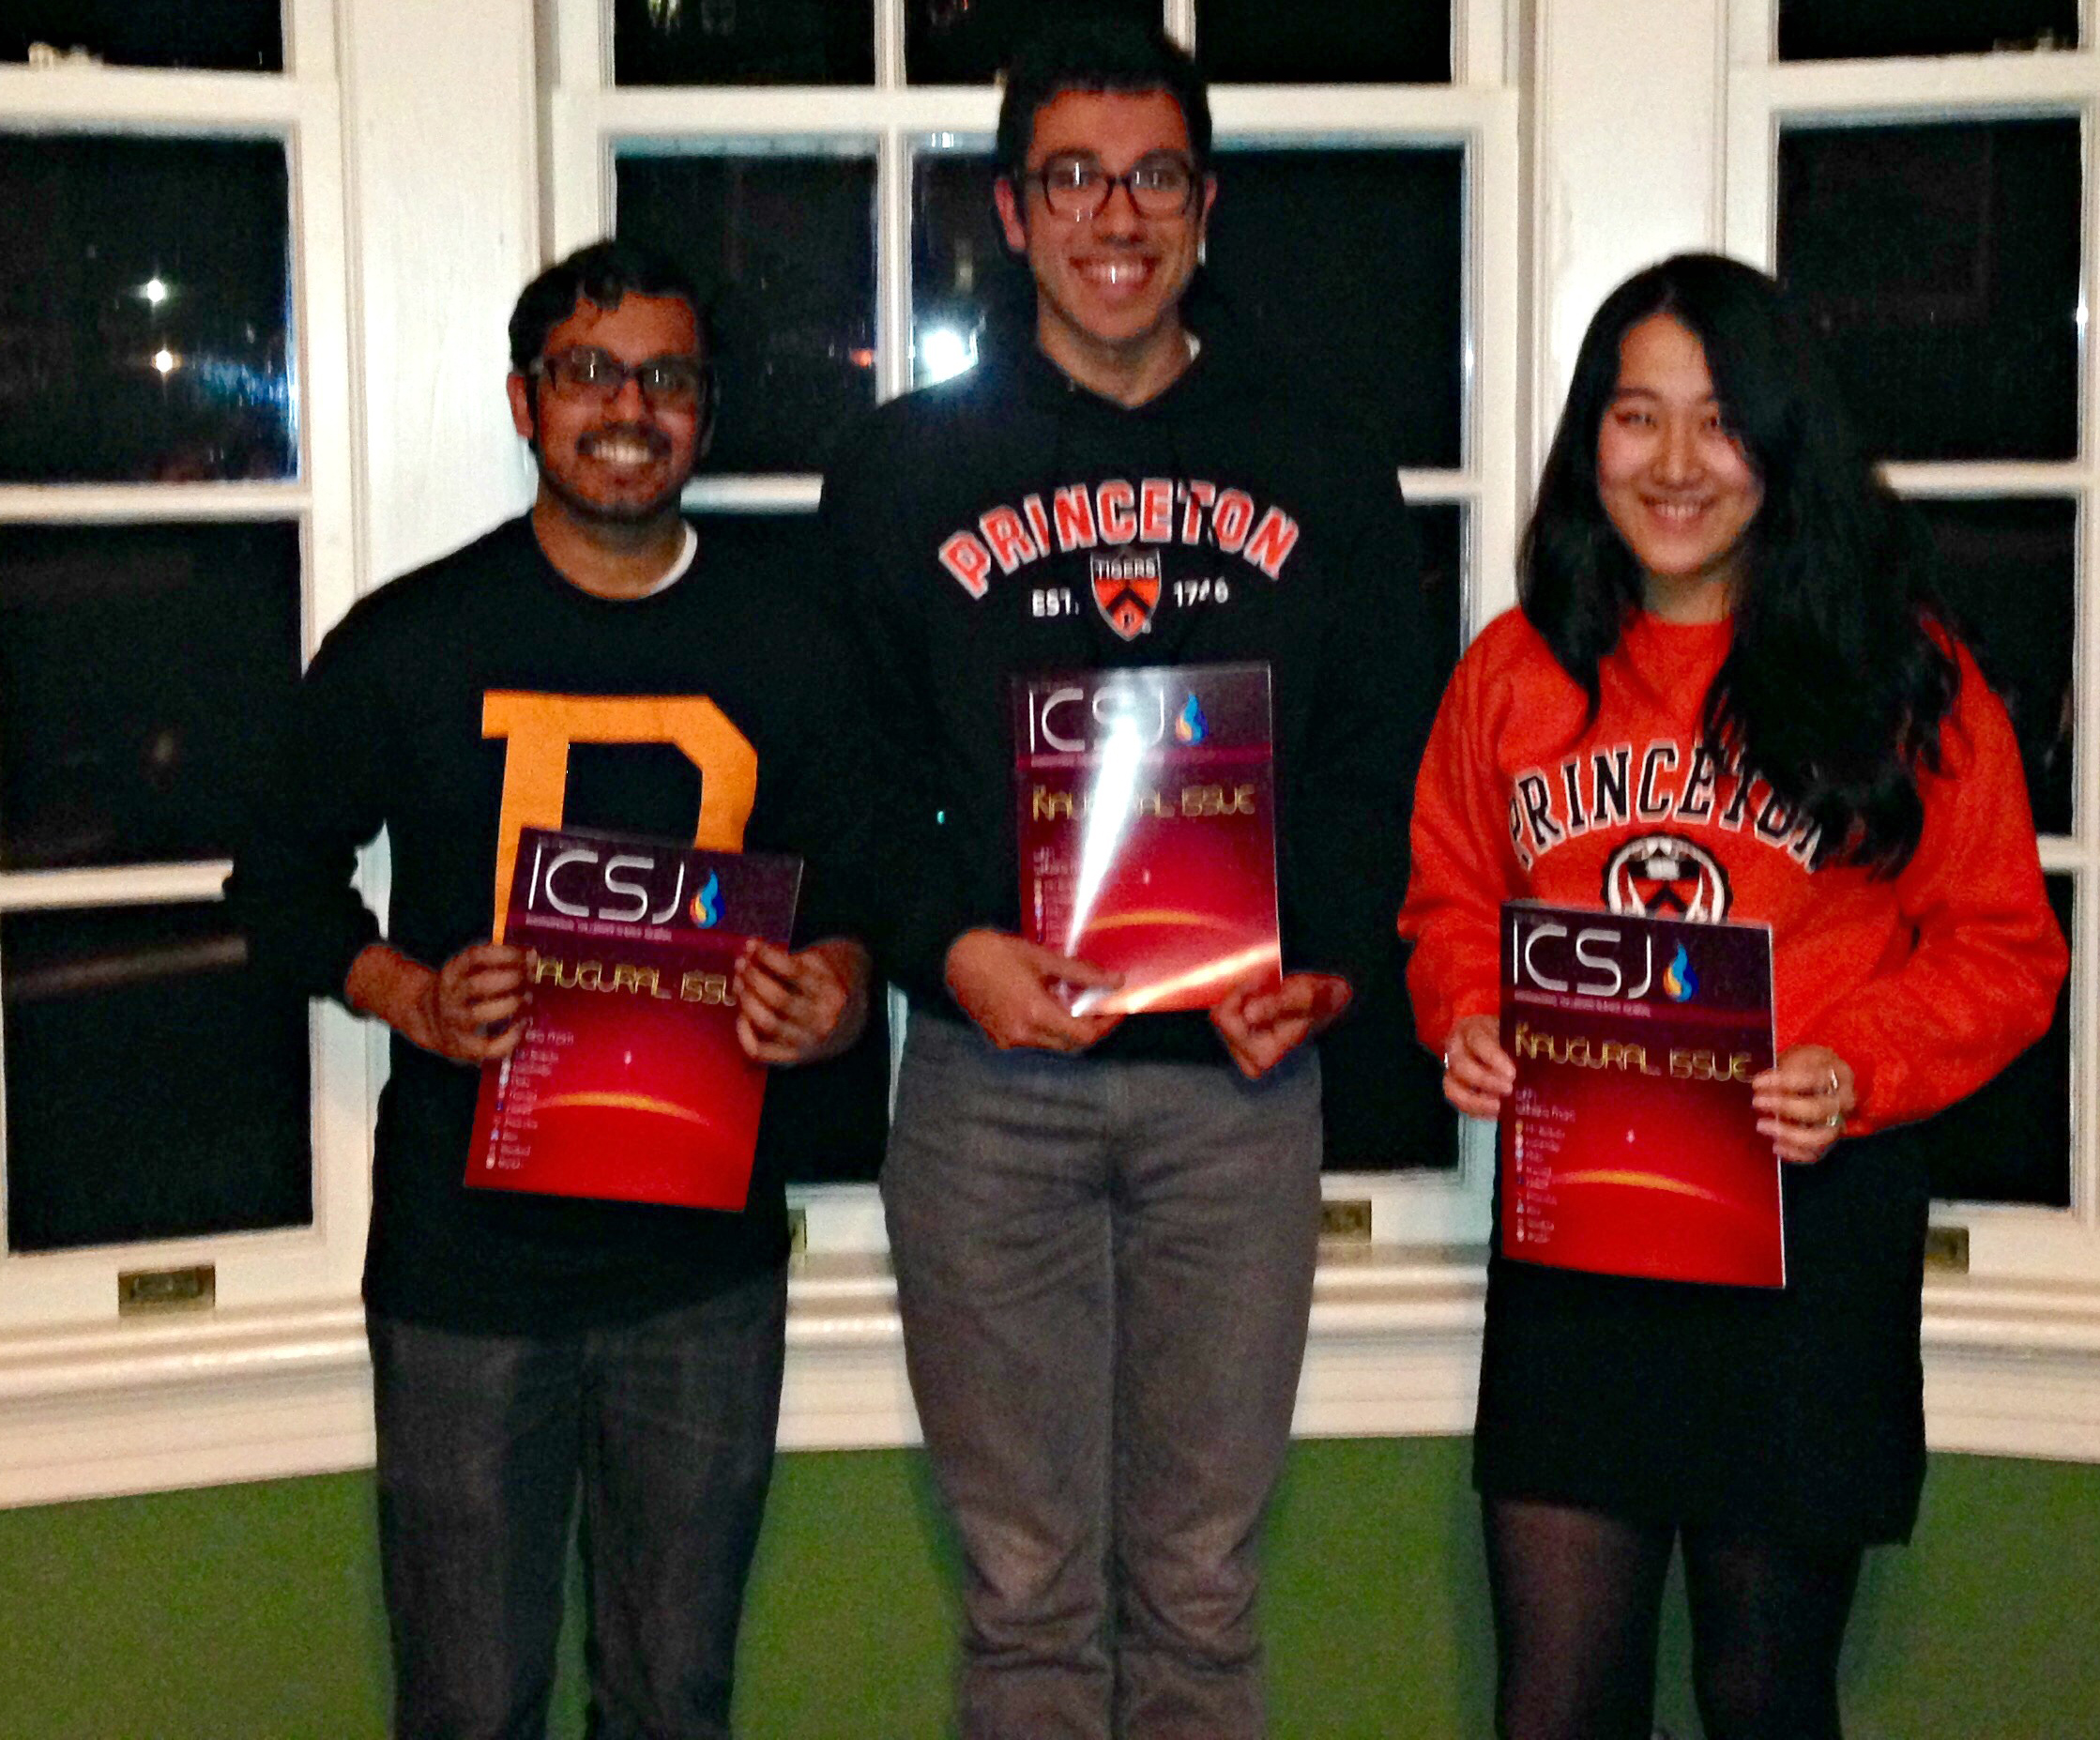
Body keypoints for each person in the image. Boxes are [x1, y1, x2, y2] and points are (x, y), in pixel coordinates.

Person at [822, 15, 1438, 1738]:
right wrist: (947, 948)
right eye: (1073, 176)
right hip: (986, 1084)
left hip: (1236, 1099)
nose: (1116, 213)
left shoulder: (1320, 460)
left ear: (1205, 202)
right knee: (1023, 1602)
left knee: (1198, 1592)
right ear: (1009, 214)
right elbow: (846, 776)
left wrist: (1319, 963)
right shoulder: (896, 472)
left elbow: (1377, 761)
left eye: (1153, 173)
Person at [1399, 252, 2067, 1740]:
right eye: (1637, 418)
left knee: (1764, 1699)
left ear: (1782, 439)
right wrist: (1463, 1009)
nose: (1678, 464)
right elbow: (1449, 895)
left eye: (1719, 421)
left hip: (1800, 1240)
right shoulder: (1511, 676)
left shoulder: (1904, 677)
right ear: (1589, 442)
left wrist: (1856, 1064)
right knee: (1555, 1706)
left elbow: (2008, 950)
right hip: (1583, 1235)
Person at [228, 239, 877, 1740]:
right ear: (526, 401)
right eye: (589, 372)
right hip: (466, 1270)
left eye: (665, 377)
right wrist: (407, 990)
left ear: (706, 414)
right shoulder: (412, 640)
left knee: (673, 1701)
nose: (627, 407)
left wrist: (834, 991)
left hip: (702, 1272)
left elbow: (861, 896)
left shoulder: (794, 645)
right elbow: (274, 879)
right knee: (465, 1707)